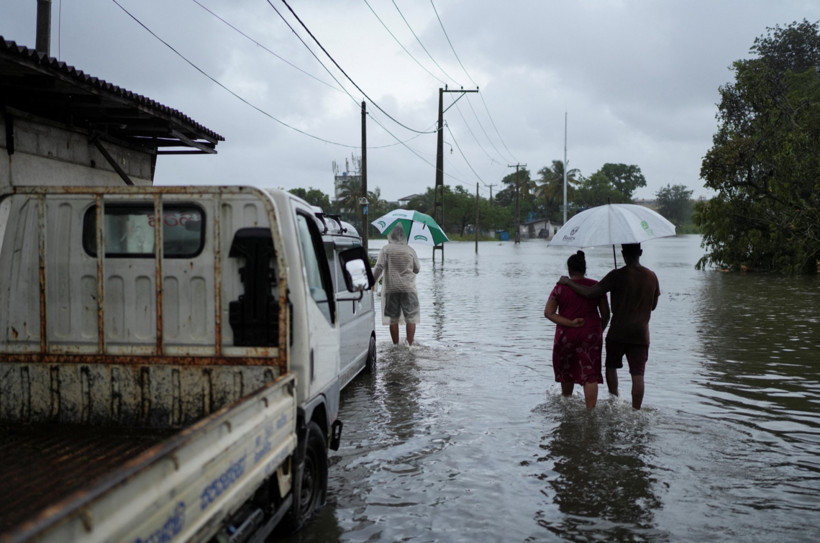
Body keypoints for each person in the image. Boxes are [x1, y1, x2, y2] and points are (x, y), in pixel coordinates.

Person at [559, 243, 660, 409]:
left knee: (611, 367)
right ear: (640, 252)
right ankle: (636, 410)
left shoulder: (616, 275)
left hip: (618, 333)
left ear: (622, 253)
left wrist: (569, 283)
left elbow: (591, 292)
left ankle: (614, 402)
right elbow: (653, 305)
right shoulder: (652, 276)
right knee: (638, 374)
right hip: (641, 334)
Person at [545, 250, 610, 408]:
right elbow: (606, 314)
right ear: (584, 268)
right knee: (590, 375)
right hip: (591, 334)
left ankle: (566, 404)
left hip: (566, 335)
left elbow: (548, 313)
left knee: (567, 369)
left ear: (569, 269)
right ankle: (590, 413)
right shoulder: (596, 287)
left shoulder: (560, 288)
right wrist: (598, 330)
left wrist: (571, 323)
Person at [372, 224, 421, 346]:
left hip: (391, 289)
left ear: (390, 235)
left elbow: (378, 267)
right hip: (409, 288)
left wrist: (371, 282)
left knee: (392, 319)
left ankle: (396, 345)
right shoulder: (410, 250)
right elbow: (417, 269)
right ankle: (410, 345)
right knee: (411, 318)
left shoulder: (386, 249)